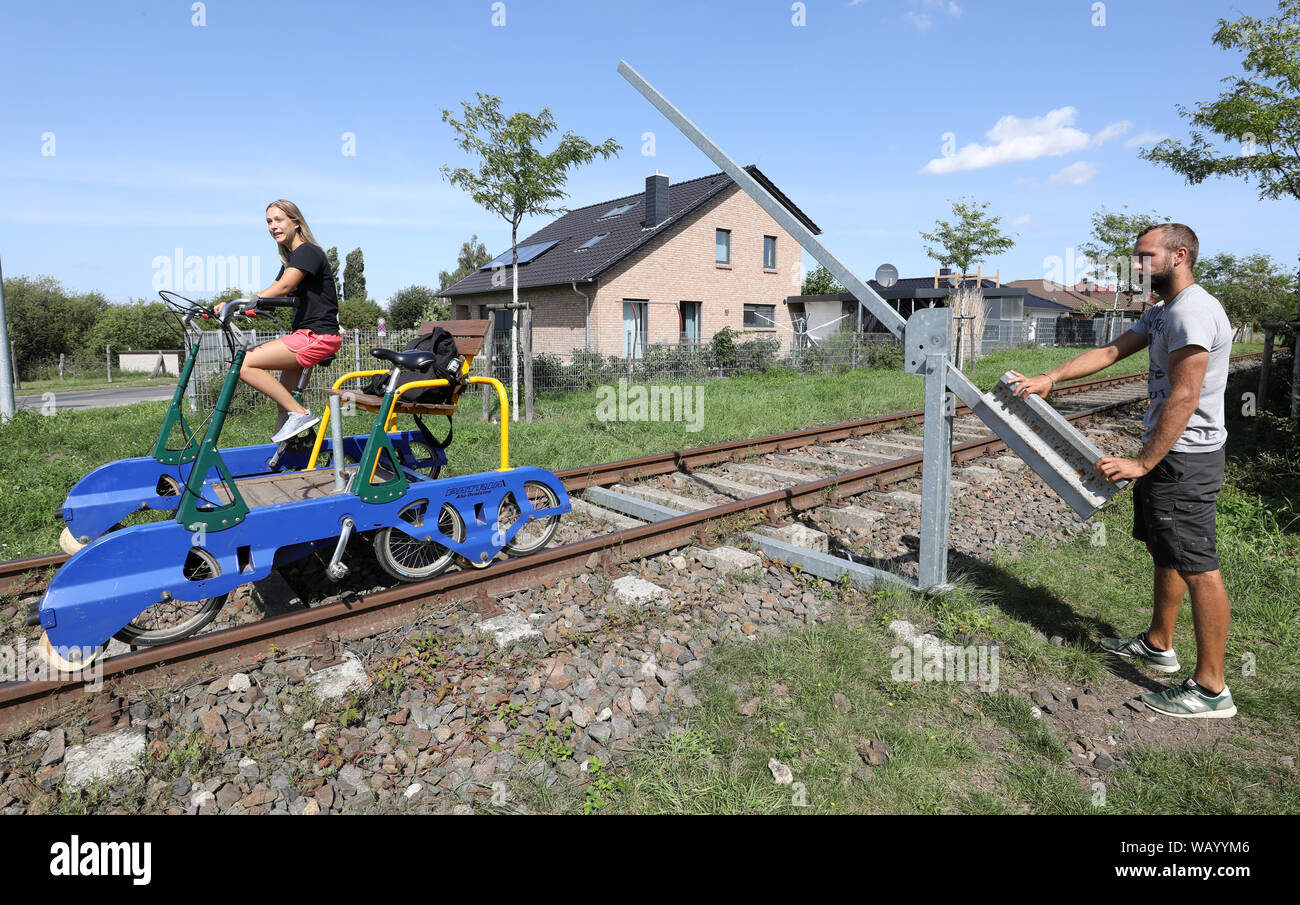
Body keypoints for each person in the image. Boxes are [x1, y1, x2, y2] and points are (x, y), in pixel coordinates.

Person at [1010, 223, 1236, 719]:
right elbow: (1111, 352)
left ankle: (1213, 689)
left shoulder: (1194, 311)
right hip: (1171, 453)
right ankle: (1159, 643)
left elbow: (1185, 394)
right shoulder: (1163, 312)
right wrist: (1050, 377)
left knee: (1198, 562)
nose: (1136, 266)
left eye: (1144, 257)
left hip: (1186, 457)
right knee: (1168, 549)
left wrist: (1143, 461)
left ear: (1179, 255)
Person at [221, 200, 341, 443]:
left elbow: (283, 286)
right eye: (268, 222)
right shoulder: (291, 259)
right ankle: (277, 454)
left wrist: (243, 303)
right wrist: (239, 309)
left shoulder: (308, 251)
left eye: (278, 220)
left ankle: (301, 414)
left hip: (317, 336)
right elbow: (277, 294)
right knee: (283, 404)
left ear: (296, 223)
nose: (273, 226)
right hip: (306, 335)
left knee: (242, 364)